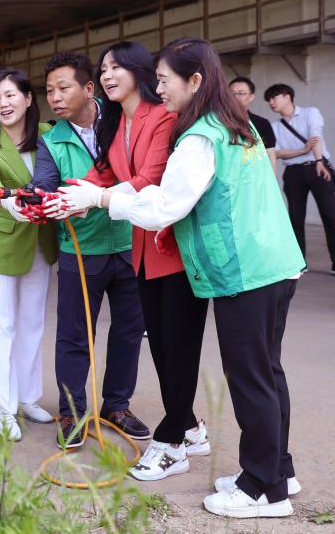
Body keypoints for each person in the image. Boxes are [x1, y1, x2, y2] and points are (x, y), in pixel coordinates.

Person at [58, 37, 305, 519]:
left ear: (194, 81)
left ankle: (261, 489)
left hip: (244, 271)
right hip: (275, 263)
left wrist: (101, 199)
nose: (159, 89)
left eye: (165, 80)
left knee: (250, 378)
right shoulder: (238, 125)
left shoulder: (198, 138)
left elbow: (165, 207)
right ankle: (279, 469)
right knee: (268, 373)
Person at [74, 41, 210, 477]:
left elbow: (149, 179)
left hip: (174, 248)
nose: (108, 75)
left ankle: (173, 441)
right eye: (103, 68)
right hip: (143, 252)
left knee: (178, 347)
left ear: (140, 72)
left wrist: (95, 199)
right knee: (164, 348)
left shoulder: (163, 117)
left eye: (115, 67)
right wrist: (65, 197)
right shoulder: (116, 122)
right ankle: (190, 426)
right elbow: (104, 173)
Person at [30, 51, 149, 449]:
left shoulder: (123, 123)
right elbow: (44, 187)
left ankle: (117, 405)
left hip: (130, 244)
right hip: (81, 251)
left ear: (88, 88)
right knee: (75, 335)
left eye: (64, 87)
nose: (56, 97)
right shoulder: (52, 141)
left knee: (129, 331)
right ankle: (72, 411)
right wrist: (37, 200)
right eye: (49, 91)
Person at [0, 67, 58, 441]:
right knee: (2, 325)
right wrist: (10, 204)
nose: (3, 103)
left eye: (9, 95)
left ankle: (28, 397)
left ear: (26, 98)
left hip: (40, 239)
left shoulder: (49, 136)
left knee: (33, 322)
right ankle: (1, 407)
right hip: (3, 241)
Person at [265, 82, 335, 275]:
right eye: (269, 100)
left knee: (331, 216)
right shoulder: (274, 126)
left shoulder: (310, 113)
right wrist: (303, 150)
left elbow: (316, 135)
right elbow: (277, 153)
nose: (271, 103)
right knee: (295, 218)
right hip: (294, 173)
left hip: (318, 168)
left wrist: (319, 160)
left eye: (274, 98)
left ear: (287, 96)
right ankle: (298, 263)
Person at [229, 77, 278, 175]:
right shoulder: (217, 120)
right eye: (231, 93)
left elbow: (270, 156)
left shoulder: (262, 123)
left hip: (253, 177)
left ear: (251, 97)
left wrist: (271, 185)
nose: (235, 97)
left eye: (241, 93)